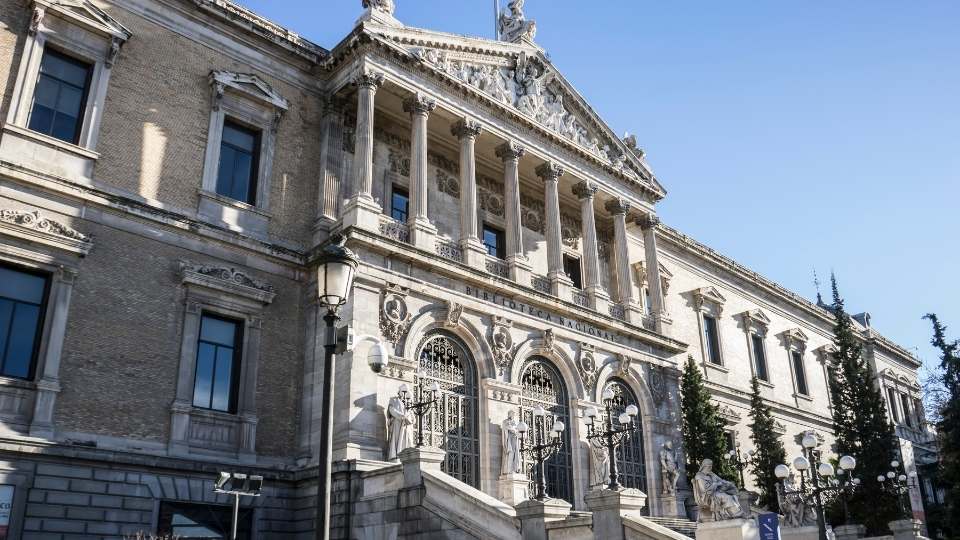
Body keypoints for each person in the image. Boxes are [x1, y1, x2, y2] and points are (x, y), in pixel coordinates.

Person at [386, 394, 413, 461]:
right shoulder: (394, 400)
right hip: (397, 423)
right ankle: (396, 457)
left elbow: (412, 414)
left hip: (406, 425)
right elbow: (392, 410)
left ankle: (406, 457)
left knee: (406, 440)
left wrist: (411, 419)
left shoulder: (408, 402)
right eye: (403, 392)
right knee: (397, 440)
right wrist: (403, 417)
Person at [501, 410, 522, 474]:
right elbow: (506, 428)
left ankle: (514, 469)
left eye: (513, 414)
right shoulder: (505, 421)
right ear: (509, 414)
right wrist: (513, 429)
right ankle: (508, 470)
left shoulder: (515, 422)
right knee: (510, 454)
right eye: (511, 414)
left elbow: (518, 430)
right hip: (509, 440)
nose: (512, 416)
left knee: (516, 454)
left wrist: (515, 431)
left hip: (515, 439)